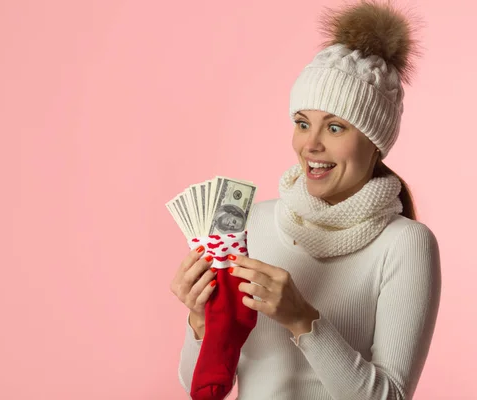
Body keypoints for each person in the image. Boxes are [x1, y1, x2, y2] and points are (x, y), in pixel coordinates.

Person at [170, 1, 441, 399]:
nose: (311, 144)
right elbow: (203, 385)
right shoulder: (249, 225)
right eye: (302, 123)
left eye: (334, 127)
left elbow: (392, 396)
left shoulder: (405, 244)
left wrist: (303, 320)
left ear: (375, 143)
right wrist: (200, 324)